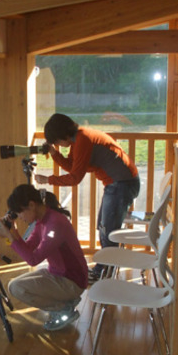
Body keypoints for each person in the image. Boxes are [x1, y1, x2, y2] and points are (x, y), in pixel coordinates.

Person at [34, 113, 140, 282]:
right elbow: (72, 167)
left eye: (57, 141)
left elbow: (75, 178)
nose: (59, 145)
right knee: (104, 227)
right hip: (118, 183)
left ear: (64, 135)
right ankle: (103, 270)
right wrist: (55, 154)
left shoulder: (83, 140)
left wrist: (48, 180)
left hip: (122, 184)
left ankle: (106, 275)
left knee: (108, 231)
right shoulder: (78, 138)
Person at [0, 184, 88, 331]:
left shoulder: (54, 224)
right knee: (14, 285)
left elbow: (33, 260)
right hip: (58, 274)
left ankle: (63, 309)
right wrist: (13, 231)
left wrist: (9, 236)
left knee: (18, 288)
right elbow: (29, 246)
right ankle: (66, 301)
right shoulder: (42, 220)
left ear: (31, 205)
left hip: (72, 281)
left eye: (20, 213)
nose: (20, 217)